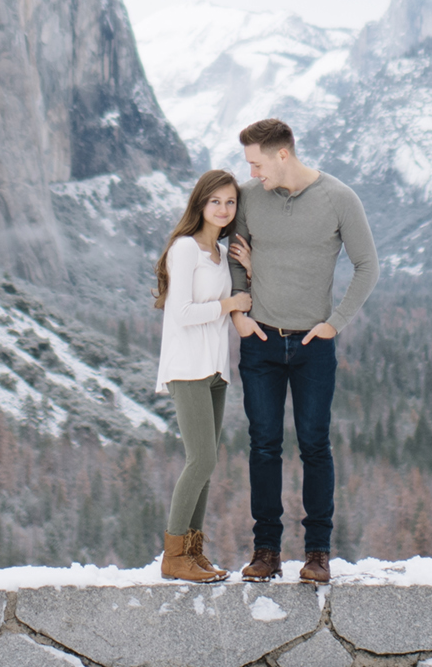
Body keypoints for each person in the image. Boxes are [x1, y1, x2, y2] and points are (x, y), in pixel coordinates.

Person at [226, 117, 376, 584]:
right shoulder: (250, 198)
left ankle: (317, 554)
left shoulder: (339, 199)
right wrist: (240, 317)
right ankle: (266, 551)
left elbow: (367, 266)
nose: (252, 174)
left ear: (282, 154)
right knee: (264, 447)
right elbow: (237, 255)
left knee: (315, 446)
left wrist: (335, 323)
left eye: (256, 163)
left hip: (313, 347)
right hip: (262, 343)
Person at [153, 168, 253, 582]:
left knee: (206, 464)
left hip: (214, 369)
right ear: (200, 203)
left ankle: (192, 552)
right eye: (216, 201)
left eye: (230, 202)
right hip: (187, 366)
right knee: (202, 459)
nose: (224, 209)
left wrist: (248, 267)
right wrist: (228, 304)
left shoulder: (220, 253)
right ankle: (173, 555)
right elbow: (181, 313)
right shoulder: (185, 248)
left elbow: (242, 299)